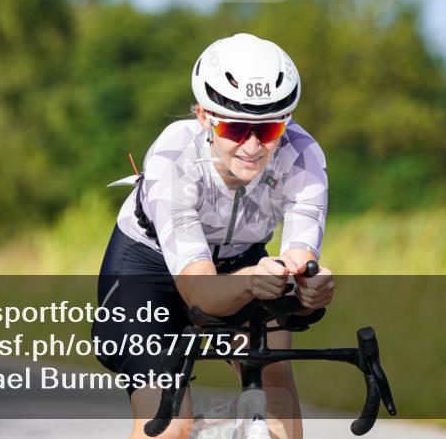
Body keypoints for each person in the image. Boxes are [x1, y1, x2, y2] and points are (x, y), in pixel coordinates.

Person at [93, 33, 334, 439]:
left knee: (276, 391)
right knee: (169, 424)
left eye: (269, 128)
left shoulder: (303, 155)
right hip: (148, 271)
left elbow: (300, 258)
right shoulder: (173, 156)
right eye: (236, 128)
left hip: (244, 260)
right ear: (204, 116)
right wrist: (252, 280)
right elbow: (200, 292)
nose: (253, 146)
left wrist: (311, 287)